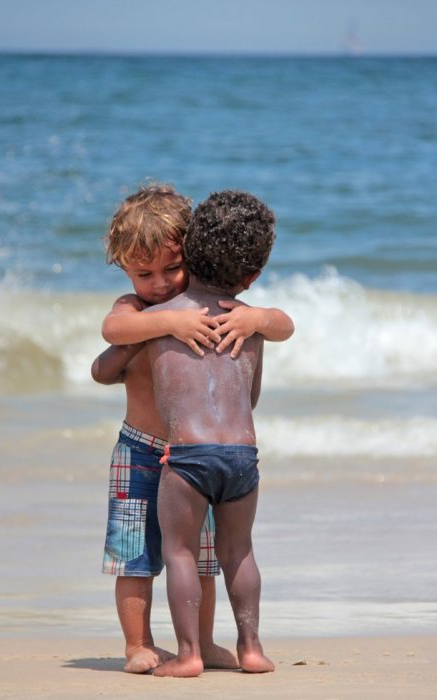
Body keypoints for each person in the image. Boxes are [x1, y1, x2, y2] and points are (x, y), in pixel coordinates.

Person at [91, 184, 293, 674]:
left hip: (191, 455)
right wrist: (168, 324)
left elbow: (282, 325)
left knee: (202, 558)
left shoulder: (215, 306)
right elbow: (112, 333)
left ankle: (199, 643)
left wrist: (257, 317)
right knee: (135, 553)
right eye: (144, 274)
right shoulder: (139, 310)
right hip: (142, 449)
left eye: (170, 269)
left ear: (193, 252)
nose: (159, 284)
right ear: (124, 269)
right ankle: (138, 643)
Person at [145, 190, 285, 678]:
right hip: (243, 456)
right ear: (252, 277)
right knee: (239, 550)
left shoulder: (164, 318)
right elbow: (252, 398)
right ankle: (251, 648)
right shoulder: (251, 325)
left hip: (187, 457)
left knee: (179, 550)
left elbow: (104, 368)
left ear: (186, 250)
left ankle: (188, 655)